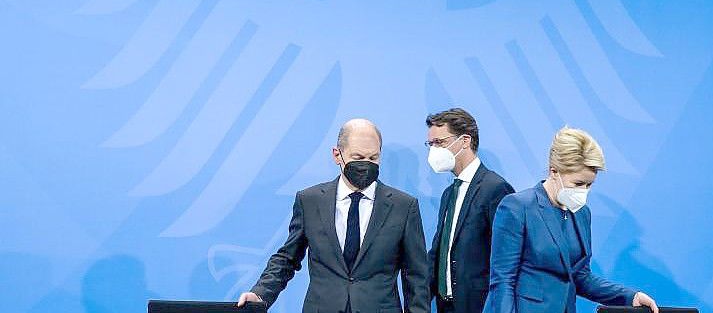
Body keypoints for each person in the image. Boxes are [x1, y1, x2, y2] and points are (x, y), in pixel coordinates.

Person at [237, 119, 430, 313]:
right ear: (337, 155)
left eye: (373, 158)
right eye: (358, 156)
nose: (366, 164)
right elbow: (287, 259)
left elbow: (416, 276)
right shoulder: (309, 200)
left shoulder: (403, 206)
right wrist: (260, 294)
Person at [483, 127, 659, 313]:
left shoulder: (582, 214)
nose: (583, 191)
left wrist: (630, 297)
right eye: (578, 184)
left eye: (589, 185)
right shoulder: (517, 207)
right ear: (554, 172)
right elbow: (503, 281)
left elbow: (580, 276)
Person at [426, 108, 515, 313]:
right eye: (430, 144)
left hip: (479, 305)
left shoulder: (495, 188)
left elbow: (506, 256)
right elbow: (440, 252)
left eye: (439, 143)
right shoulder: (449, 193)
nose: (433, 150)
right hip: (445, 305)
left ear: (465, 141)